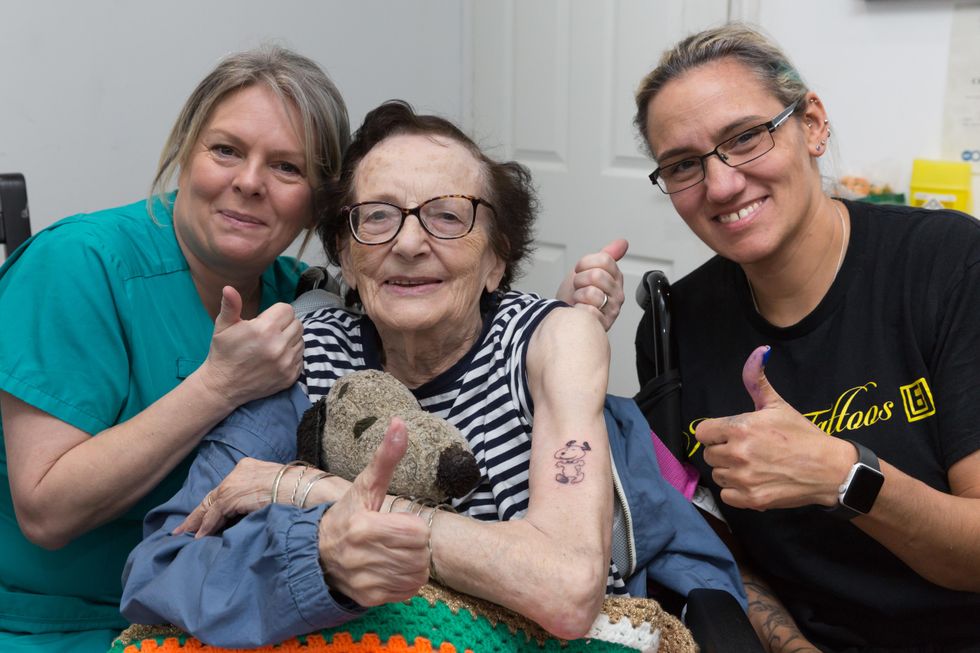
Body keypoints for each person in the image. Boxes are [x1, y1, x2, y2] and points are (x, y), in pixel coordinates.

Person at [120, 100, 744, 649]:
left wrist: (315, 492)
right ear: (345, 253)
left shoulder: (551, 341)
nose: (410, 244)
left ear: (498, 258)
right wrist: (324, 564)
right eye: (378, 216)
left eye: (449, 216)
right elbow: (161, 568)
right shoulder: (304, 358)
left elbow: (567, 592)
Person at [633, 24, 980, 653]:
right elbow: (710, 544)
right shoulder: (676, 325)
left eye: (743, 138)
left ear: (812, 125)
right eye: (683, 165)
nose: (721, 185)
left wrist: (843, 476)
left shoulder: (949, 265)